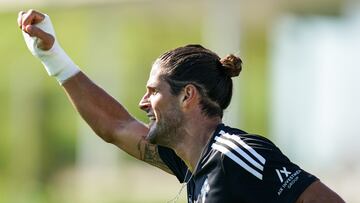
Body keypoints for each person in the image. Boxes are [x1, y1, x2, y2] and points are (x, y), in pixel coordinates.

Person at [18, 9, 345, 203]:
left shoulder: (235, 154)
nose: (142, 102)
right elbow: (116, 127)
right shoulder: (187, 159)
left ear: (188, 96)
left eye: (153, 91)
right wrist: (53, 57)